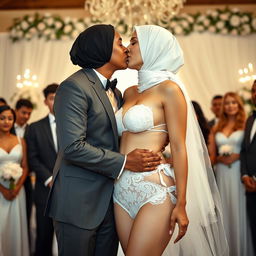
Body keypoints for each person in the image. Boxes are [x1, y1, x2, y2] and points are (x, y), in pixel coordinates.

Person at [45, 24, 162, 256]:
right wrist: (125, 161)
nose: (126, 49)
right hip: (79, 202)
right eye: (119, 42)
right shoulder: (73, 87)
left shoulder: (117, 93)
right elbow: (73, 147)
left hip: (111, 201)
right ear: (102, 49)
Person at [114, 25, 228, 256]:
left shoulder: (169, 90)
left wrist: (182, 204)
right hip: (120, 189)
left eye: (134, 42)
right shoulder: (128, 92)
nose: (127, 48)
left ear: (152, 47)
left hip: (154, 189)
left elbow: (178, 146)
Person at [208, 92, 252, 256]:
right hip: (222, 174)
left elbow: (250, 151)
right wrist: (219, 158)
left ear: (239, 105)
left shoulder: (246, 125)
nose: (230, 106)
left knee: (240, 209)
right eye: (227, 103)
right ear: (223, 107)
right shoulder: (216, 128)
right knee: (225, 209)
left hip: (239, 172)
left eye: (234, 103)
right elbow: (211, 156)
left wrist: (238, 156)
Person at [25, 84, 58, 256]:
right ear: (45, 101)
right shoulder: (34, 128)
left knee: (69, 239)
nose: (56, 101)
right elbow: (32, 159)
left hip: (70, 191)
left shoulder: (74, 125)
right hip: (44, 191)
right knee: (44, 238)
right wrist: (49, 179)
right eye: (52, 98)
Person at [0, 105, 29, 256]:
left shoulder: (20, 140)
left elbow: (25, 167)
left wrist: (17, 188)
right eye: (2, 118)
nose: (6, 121)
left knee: (15, 226)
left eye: (10, 118)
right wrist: (3, 189)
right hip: (0, 192)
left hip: (18, 191)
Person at [11, 98, 34, 245]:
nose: (26, 116)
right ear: (16, 111)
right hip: (5, 177)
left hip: (25, 180)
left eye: (29, 114)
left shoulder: (33, 129)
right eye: (23, 113)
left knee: (25, 213)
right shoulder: (6, 128)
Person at [240, 80, 256, 255]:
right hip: (250, 188)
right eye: (253, 91)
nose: (254, 94)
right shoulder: (250, 119)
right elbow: (244, 150)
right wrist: (244, 175)